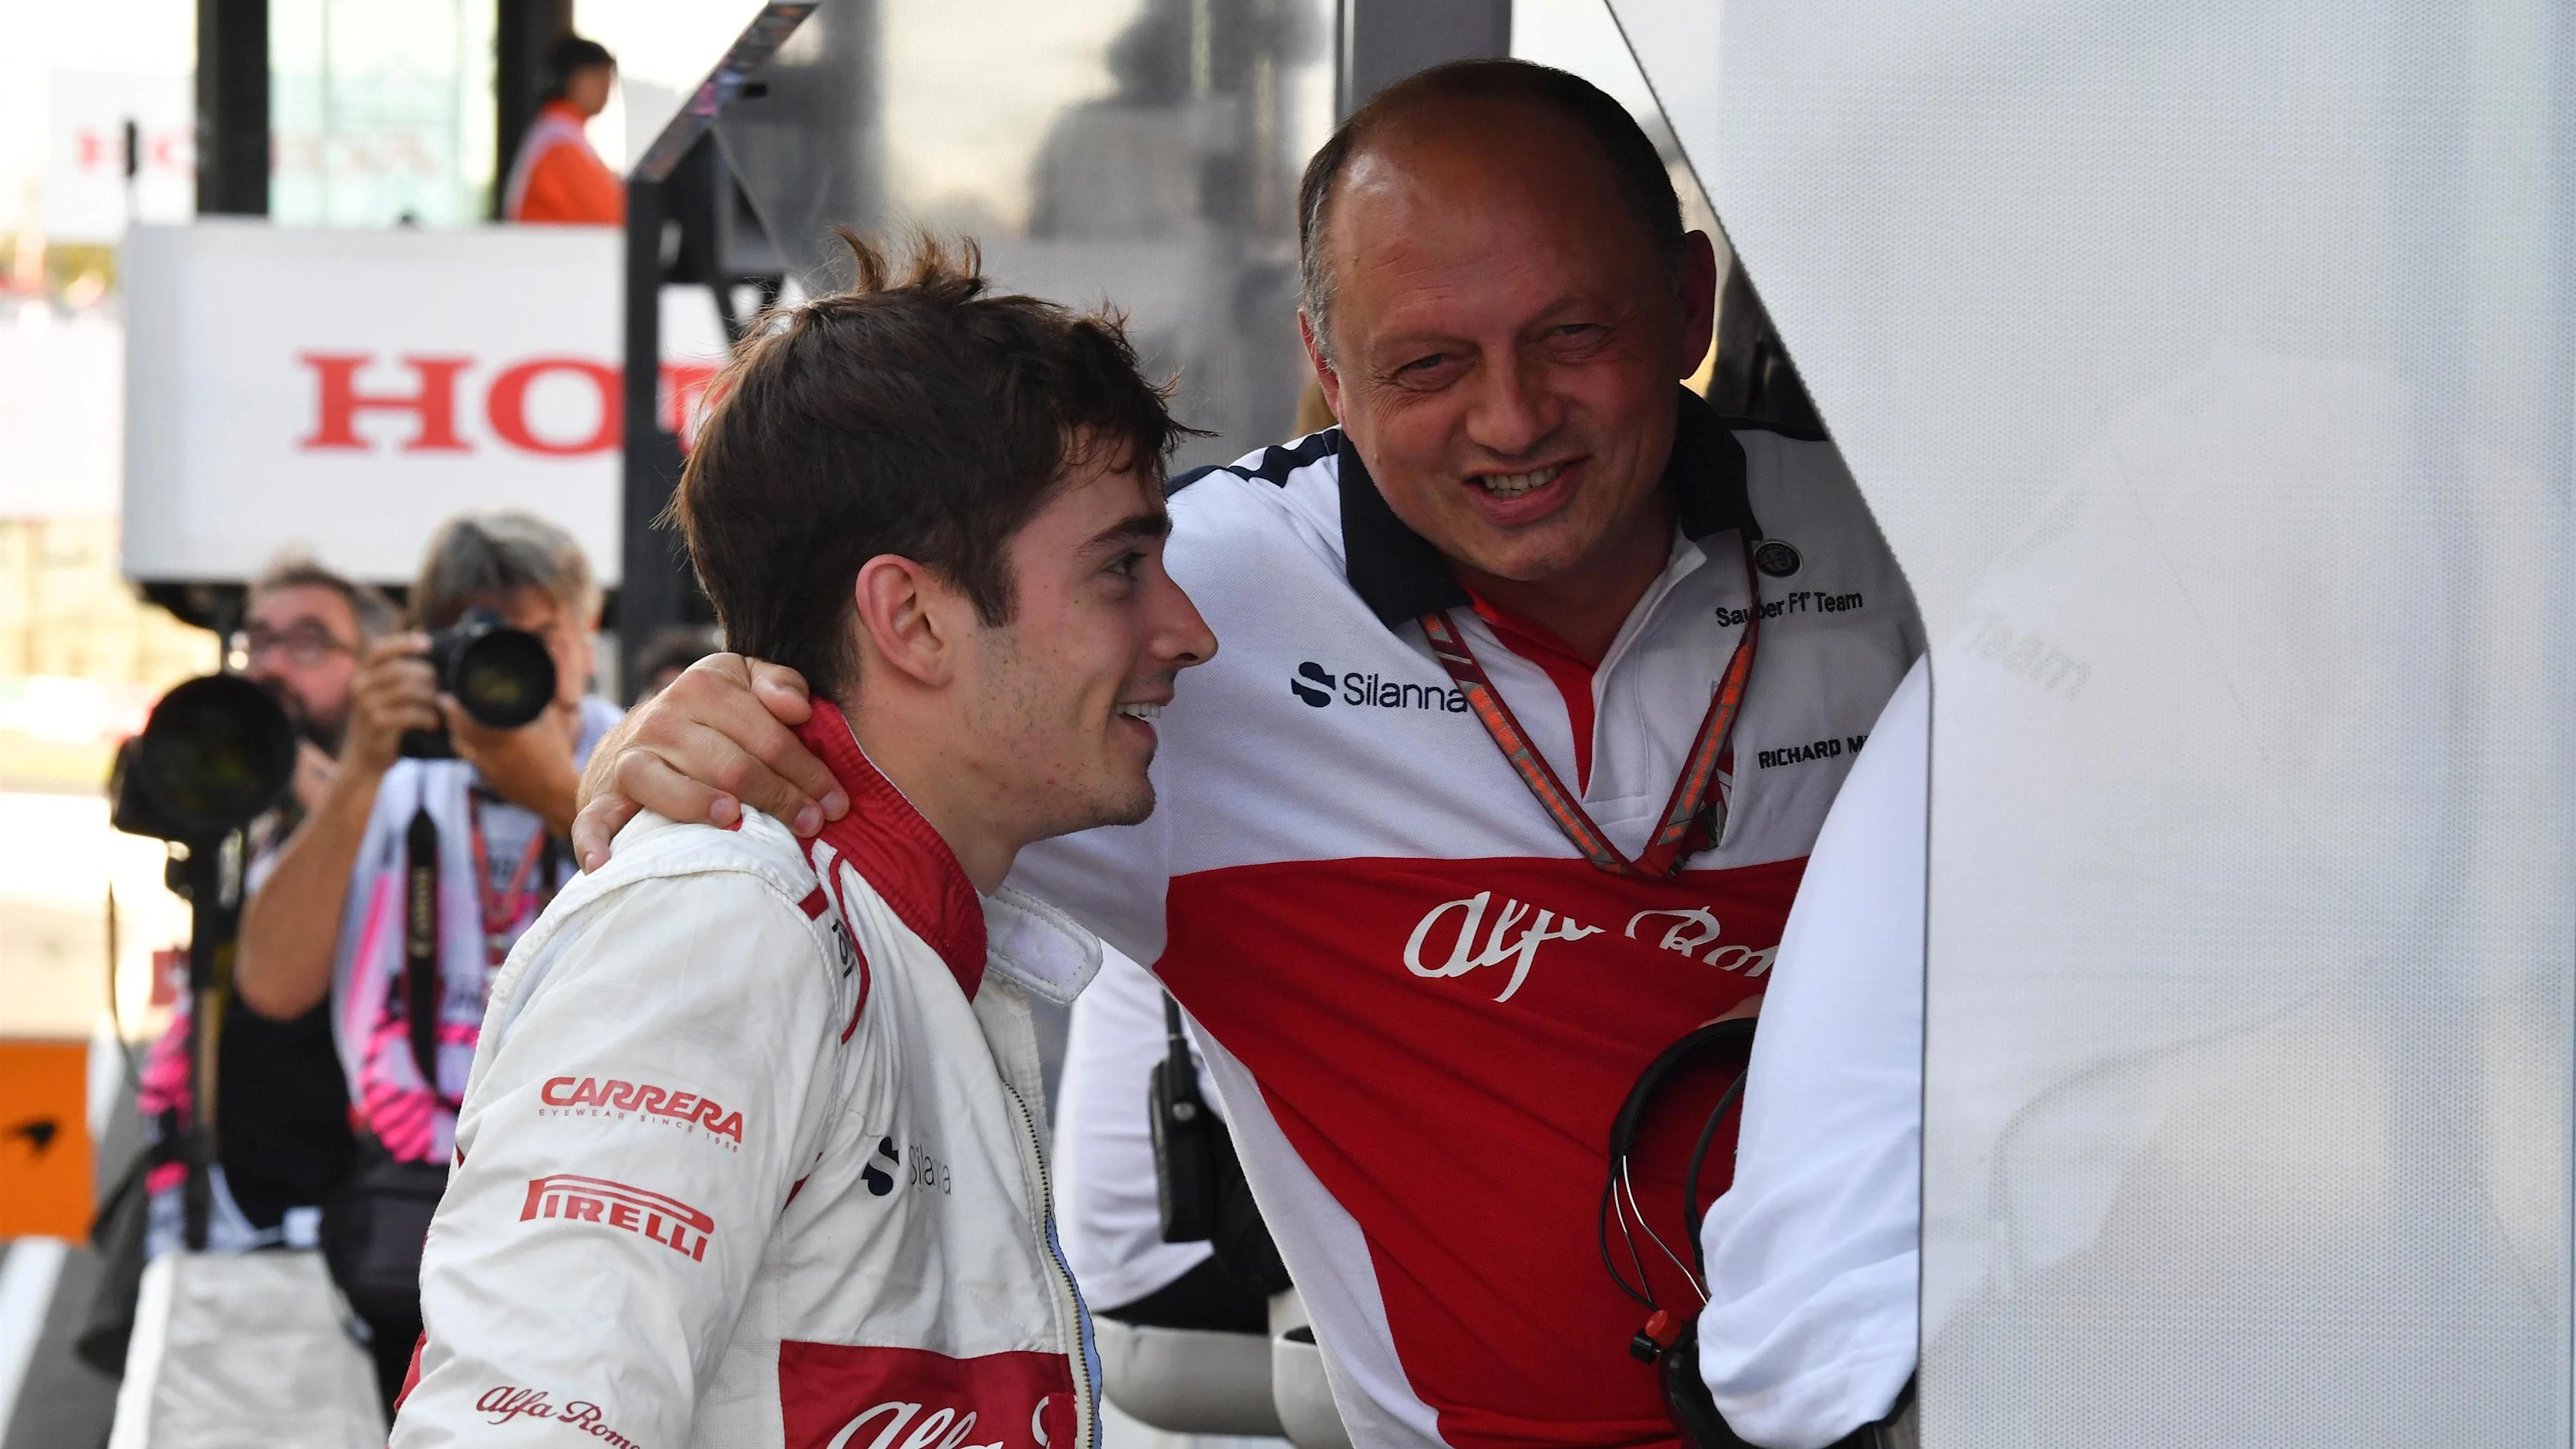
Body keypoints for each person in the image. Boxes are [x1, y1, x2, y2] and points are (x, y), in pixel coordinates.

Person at [578, 61, 1925, 1446]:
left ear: (1692, 303)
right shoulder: (1182, 606)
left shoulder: (1915, 551)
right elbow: (840, 755)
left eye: (1573, 334)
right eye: (1428, 365)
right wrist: (685, 736)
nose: (1512, 418)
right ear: (1327, 370)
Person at [390, 235, 1214, 1446]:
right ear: (912, 618)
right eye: (1123, 568)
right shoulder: (724, 922)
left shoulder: (891, 924)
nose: (1188, 630)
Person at [232, 511, 619, 1404]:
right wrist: (361, 769)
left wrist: (553, 794)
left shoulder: (631, 755)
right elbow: (272, 988)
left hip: (586, 1204)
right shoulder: (393, 781)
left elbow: (694, 935)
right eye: (475, 641)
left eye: (535, 639)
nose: (503, 667)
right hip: (413, 1208)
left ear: (585, 636)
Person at [134, 554, 395, 1259]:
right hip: (218, 1194)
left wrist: (326, 786)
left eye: (309, 644)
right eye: (261, 641)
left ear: (373, 672)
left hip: (331, 1221)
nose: (274, 666)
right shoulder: (251, 811)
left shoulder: (404, 798)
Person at [501, 36, 623, 226]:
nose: (606, 86)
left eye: (608, 77)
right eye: (596, 76)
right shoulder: (558, 141)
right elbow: (615, 212)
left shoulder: (561, 132)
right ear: (566, 78)